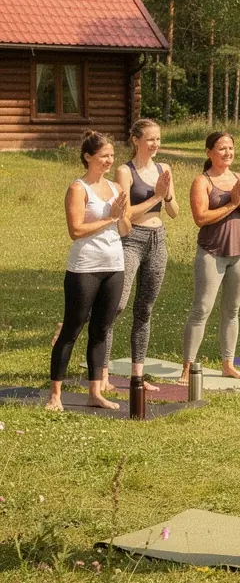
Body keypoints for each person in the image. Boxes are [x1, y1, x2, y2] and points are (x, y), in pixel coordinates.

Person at [47, 132, 132, 411]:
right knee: (72, 328)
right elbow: (76, 231)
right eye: (103, 156)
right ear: (88, 157)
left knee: (101, 330)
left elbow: (125, 228)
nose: (109, 160)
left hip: (114, 265)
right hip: (85, 267)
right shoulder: (78, 188)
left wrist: (120, 218)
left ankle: (95, 393)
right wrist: (109, 217)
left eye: (111, 156)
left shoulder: (117, 188)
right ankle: (55, 396)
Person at [179, 131, 240, 386]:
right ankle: (187, 368)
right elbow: (200, 218)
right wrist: (231, 205)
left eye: (230, 148)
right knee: (201, 308)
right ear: (209, 152)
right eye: (222, 148)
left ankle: (228, 364)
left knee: (232, 310)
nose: (227, 153)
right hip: (211, 252)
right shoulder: (202, 181)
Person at [102, 119, 179, 390]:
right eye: (150, 139)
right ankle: (102, 375)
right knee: (117, 306)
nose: (156, 144)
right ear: (136, 140)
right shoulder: (125, 171)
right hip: (131, 240)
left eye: (158, 139)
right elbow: (124, 215)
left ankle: (137, 376)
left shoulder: (164, 169)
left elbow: (174, 212)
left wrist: (167, 196)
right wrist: (156, 196)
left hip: (158, 240)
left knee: (144, 310)